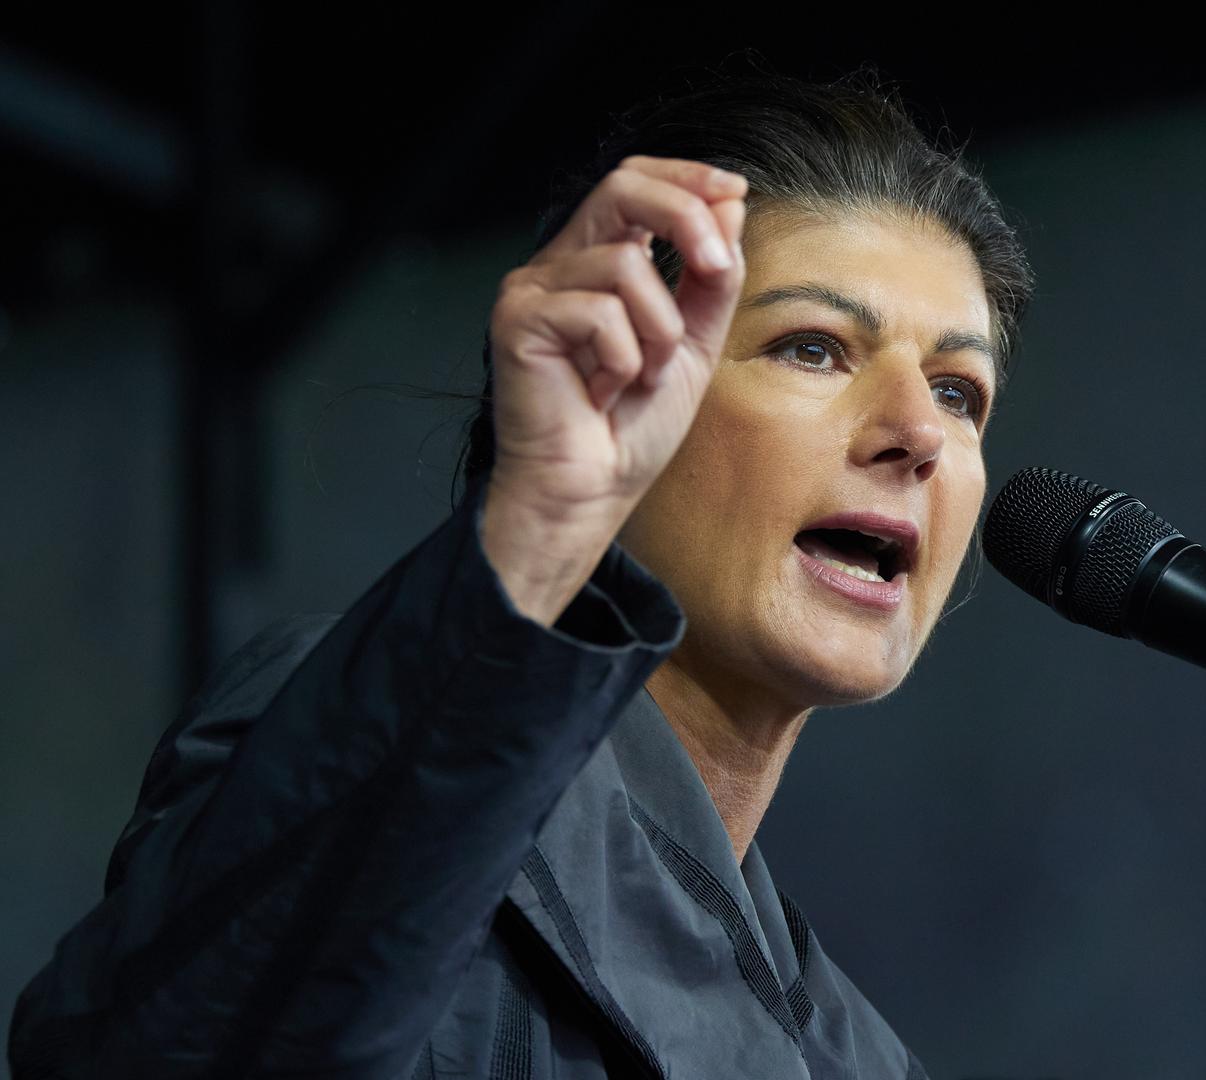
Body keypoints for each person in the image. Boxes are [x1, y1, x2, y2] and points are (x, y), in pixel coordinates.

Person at [8, 67, 1033, 1079]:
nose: (917, 433)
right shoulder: (372, 735)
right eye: (813, 348)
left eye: (959, 391)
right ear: (608, 381)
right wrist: (538, 529)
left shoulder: (859, 1058)